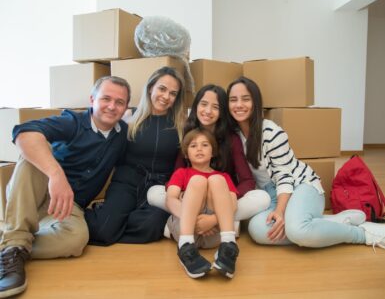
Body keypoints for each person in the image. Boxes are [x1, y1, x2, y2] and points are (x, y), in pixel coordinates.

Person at [0, 76, 130, 298]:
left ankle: (13, 245)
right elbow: (24, 133)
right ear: (92, 99)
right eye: (106, 98)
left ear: (126, 107)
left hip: (69, 207)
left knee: (76, 241)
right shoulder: (73, 122)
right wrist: (56, 175)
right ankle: (12, 249)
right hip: (39, 192)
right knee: (32, 156)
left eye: (120, 102)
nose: (112, 106)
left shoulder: (123, 135)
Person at [226, 76, 385, 250]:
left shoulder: (271, 132)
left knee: (297, 231)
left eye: (245, 99)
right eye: (233, 100)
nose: (239, 104)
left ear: (255, 103)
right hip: (269, 193)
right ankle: (331, 222)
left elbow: (284, 176)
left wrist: (280, 211)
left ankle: (362, 234)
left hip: (300, 185)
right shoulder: (234, 135)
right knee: (256, 229)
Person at [148, 84, 270, 233]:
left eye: (215, 107)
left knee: (262, 198)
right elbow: (177, 174)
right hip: (192, 199)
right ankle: (219, 224)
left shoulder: (231, 138)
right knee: (154, 192)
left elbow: (247, 181)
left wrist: (223, 206)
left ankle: (208, 222)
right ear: (196, 106)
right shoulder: (187, 132)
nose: (207, 111)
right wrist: (179, 195)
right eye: (203, 104)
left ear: (222, 112)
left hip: (220, 201)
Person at [85, 66, 186, 245]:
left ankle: (115, 220)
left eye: (173, 93)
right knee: (103, 231)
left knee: (151, 226)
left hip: (159, 188)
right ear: (150, 88)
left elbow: (182, 164)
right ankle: (107, 218)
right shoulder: (128, 117)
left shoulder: (181, 125)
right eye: (162, 89)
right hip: (127, 182)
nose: (166, 97)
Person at [166, 128, 239, 279]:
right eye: (193, 146)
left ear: (213, 152)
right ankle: (185, 247)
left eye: (205, 145)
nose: (199, 148)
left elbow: (232, 204)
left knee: (216, 180)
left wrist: (211, 221)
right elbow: (170, 199)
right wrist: (193, 221)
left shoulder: (223, 176)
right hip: (185, 230)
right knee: (198, 181)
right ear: (186, 154)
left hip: (214, 232)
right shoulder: (181, 173)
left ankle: (228, 245)